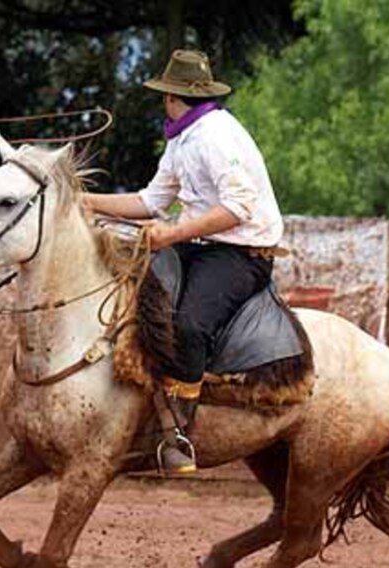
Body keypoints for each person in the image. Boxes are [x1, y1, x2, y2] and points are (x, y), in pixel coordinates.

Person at [83, 49, 284, 473]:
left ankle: (179, 435)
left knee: (188, 326)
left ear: (170, 96)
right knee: (131, 300)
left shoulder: (215, 136)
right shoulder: (183, 138)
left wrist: (172, 234)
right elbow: (151, 201)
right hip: (201, 246)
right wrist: (84, 201)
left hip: (241, 253)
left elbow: (239, 208)